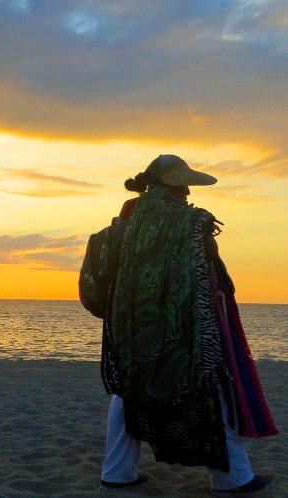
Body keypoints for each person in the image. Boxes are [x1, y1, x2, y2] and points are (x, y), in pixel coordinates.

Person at [94, 155, 278, 496]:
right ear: (174, 185)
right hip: (189, 325)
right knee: (213, 389)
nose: (189, 189)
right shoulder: (192, 220)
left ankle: (117, 474)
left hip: (131, 323)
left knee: (129, 392)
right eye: (184, 183)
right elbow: (209, 259)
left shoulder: (128, 216)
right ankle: (232, 478)